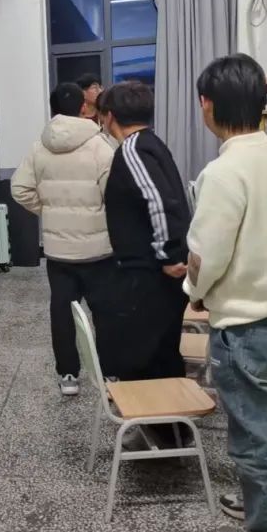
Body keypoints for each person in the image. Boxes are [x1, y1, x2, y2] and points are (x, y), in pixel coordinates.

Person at [184, 54, 267, 532]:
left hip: (244, 323)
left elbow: (206, 255)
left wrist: (194, 291)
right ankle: (262, 504)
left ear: (207, 105)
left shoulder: (222, 173)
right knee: (265, 422)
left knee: (256, 436)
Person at [11, 82, 116, 396]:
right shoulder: (100, 145)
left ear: (53, 108)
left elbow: (19, 189)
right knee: (104, 313)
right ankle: (110, 374)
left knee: (62, 313)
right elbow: (114, 193)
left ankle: (68, 376)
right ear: (84, 107)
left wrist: (48, 210)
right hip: (98, 250)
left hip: (58, 252)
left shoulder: (39, 147)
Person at [99, 82, 192, 382]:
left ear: (109, 116)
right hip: (155, 273)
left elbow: (159, 201)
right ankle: (170, 409)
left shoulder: (132, 150)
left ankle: (153, 410)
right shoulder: (152, 143)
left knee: (143, 358)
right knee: (162, 353)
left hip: (148, 274)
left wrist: (170, 254)